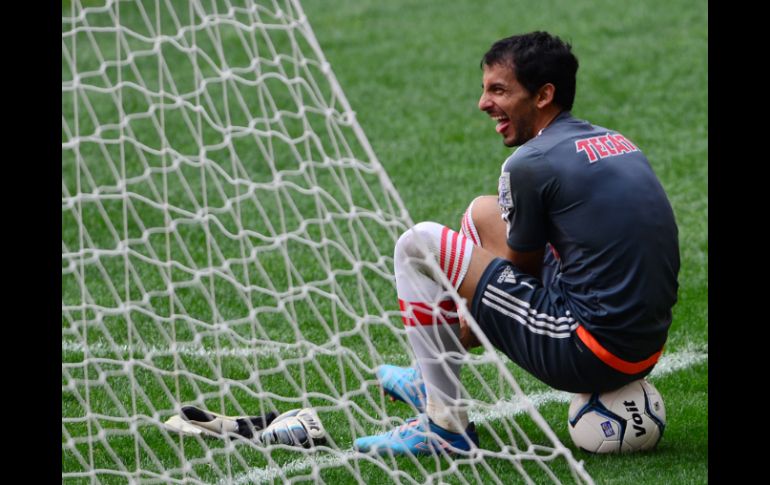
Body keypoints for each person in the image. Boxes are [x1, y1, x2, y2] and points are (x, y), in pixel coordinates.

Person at [353, 31, 680, 456]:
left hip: (587, 351)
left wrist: (462, 324)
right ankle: (426, 379)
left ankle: (444, 425)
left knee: (419, 244)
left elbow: (519, 274)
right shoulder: (615, 141)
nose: (483, 103)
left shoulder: (528, 163)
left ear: (543, 95)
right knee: (481, 214)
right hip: (645, 347)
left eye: (499, 90)